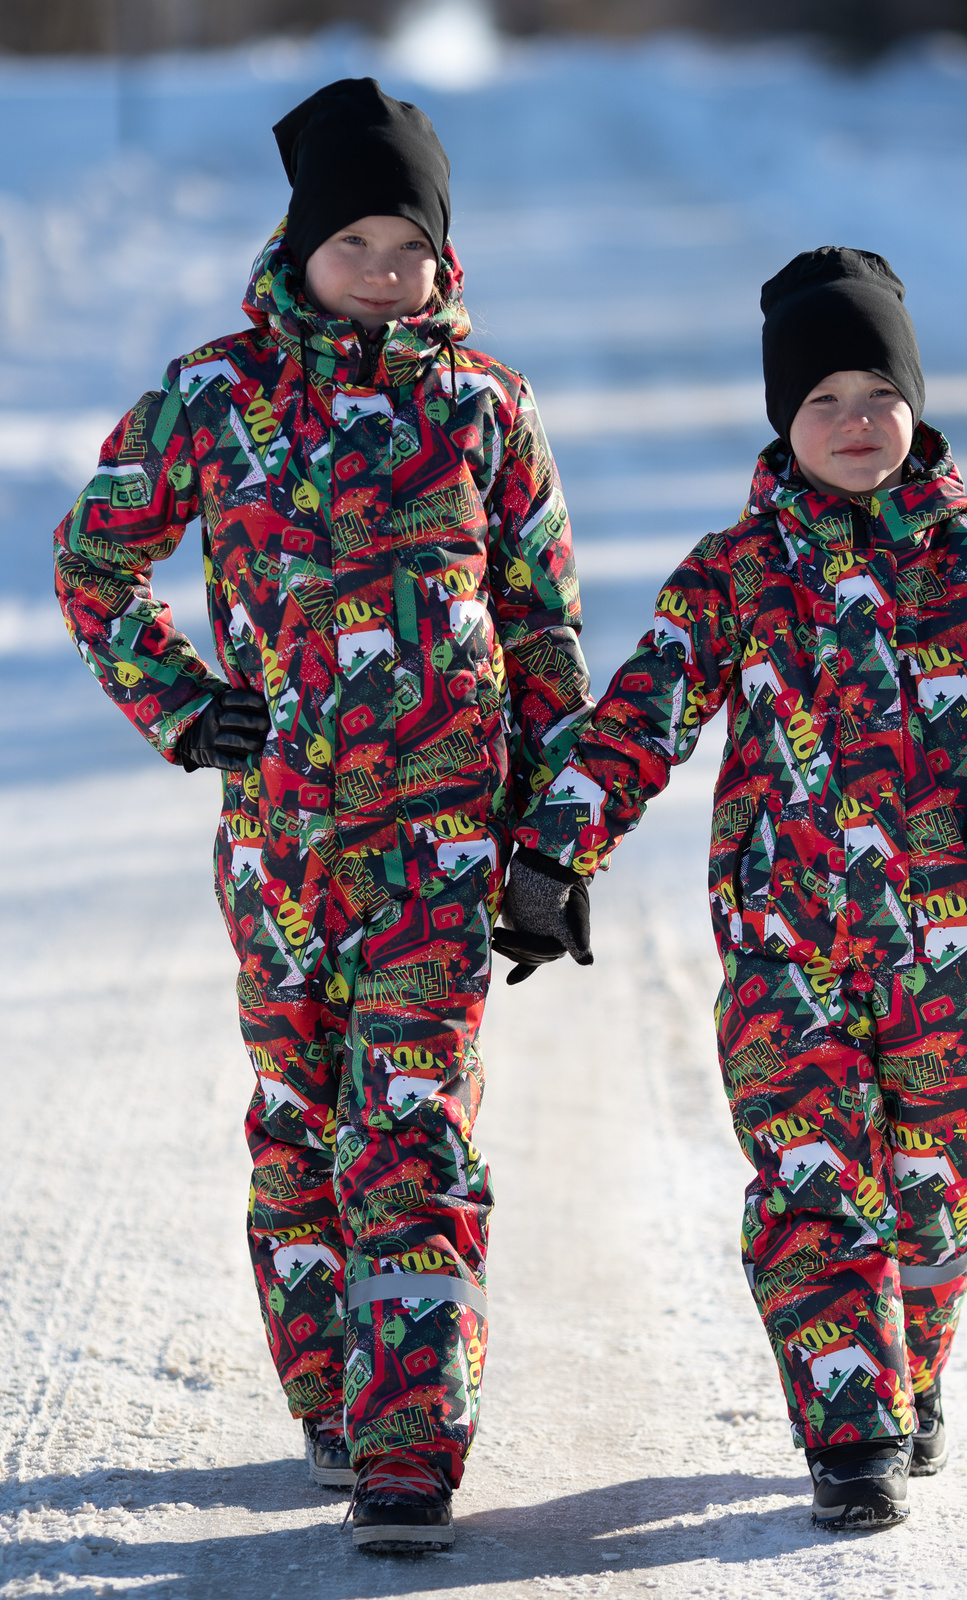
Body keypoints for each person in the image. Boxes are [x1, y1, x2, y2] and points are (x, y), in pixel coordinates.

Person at [53, 77, 594, 1553]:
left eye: (406, 243)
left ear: (443, 258)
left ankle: (411, 1447)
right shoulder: (212, 394)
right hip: (283, 848)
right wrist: (176, 701)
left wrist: (555, 843)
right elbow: (94, 560)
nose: (380, 269)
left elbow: (545, 635)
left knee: (411, 1128)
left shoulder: (488, 409)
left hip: (440, 845)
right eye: (351, 240)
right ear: (298, 247)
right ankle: (329, 1391)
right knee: (303, 1127)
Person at [501, 246, 967, 1530]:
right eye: (822, 399)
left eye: (878, 390)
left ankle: (909, 1365)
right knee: (815, 1187)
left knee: (946, 1184)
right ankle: (852, 1423)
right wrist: (555, 852)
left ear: (917, 404)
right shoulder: (737, 573)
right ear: (783, 423)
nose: (856, 421)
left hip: (949, 960)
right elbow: (638, 719)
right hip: (785, 955)